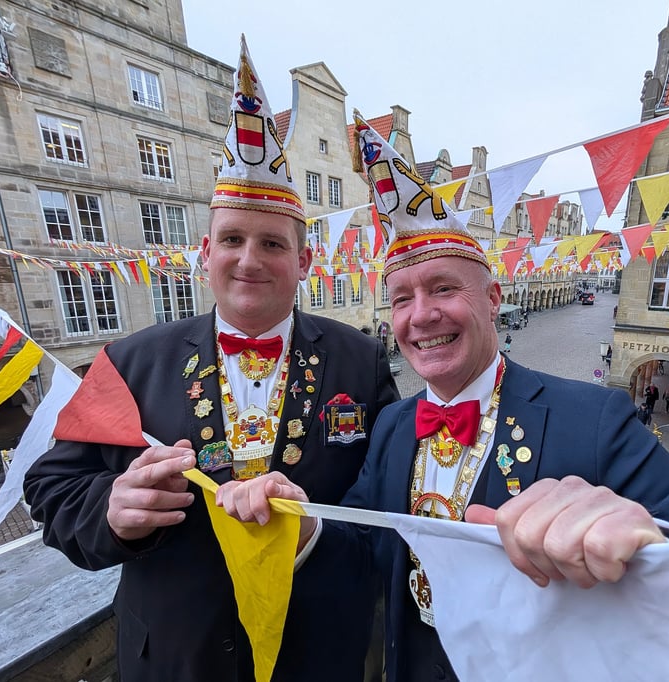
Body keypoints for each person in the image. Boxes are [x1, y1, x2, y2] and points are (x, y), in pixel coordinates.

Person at [217, 115, 669, 681]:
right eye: (402, 298)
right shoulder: (392, 426)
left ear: (493, 299)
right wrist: (305, 523)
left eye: (443, 288)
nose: (421, 316)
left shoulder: (593, 421)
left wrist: (662, 563)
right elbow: (365, 547)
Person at [23, 38, 399, 682]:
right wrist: (111, 508)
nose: (249, 260)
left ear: (305, 261)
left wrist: (315, 533)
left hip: (316, 658)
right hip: (174, 662)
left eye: (272, 244)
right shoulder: (128, 361)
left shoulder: (361, 361)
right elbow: (50, 488)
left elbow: (390, 507)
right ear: (205, 252)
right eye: (232, 239)